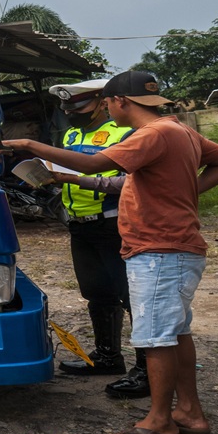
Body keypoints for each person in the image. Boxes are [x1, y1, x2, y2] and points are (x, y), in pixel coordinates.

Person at [0, 71, 218, 434]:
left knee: (156, 337)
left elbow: (94, 165)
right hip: (173, 248)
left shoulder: (151, 134)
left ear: (118, 102)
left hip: (159, 251)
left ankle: (160, 421)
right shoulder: (178, 130)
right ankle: (190, 413)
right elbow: (118, 182)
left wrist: (31, 144)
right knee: (176, 332)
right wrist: (187, 193)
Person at [45, 79, 148, 399]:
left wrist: (80, 179)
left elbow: (129, 181)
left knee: (131, 298)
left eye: (77, 108)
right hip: (80, 225)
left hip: (114, 224)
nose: (70, 114)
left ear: (101, 104)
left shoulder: (124, 134)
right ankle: (107, 357)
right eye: (66, 109)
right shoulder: (71, 134)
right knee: (97, 293)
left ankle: (146, 370)